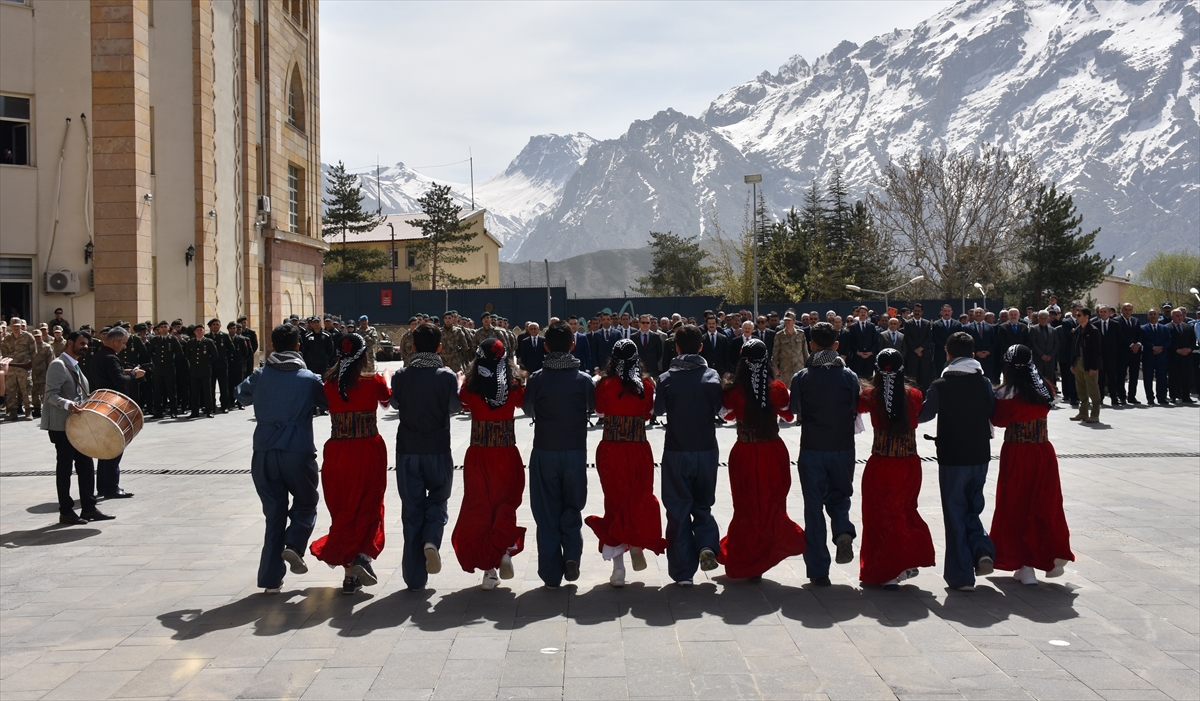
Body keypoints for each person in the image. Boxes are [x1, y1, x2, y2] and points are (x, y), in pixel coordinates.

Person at [236, 324, 327, 593]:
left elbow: (240, 395)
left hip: (264, 451)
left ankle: (269, 579)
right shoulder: (308, 378)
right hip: (297, 449)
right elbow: (331, 403)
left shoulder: (261, 375)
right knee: (307, 502)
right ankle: (294, 544)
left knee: (273, 515)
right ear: (299, 346)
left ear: (273, 346)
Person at [309, 332, 391, 595]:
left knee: (343, 509)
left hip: (337, 452)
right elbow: (387, 400)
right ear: (364, 354)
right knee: (369, 504)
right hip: (367, 449)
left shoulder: (329, 382)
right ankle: (362, 557)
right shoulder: (372, 380)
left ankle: (349, 574)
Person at [717, 338, 805, 580]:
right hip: (772, 452)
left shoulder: (733, 390)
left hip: (744, 452)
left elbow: (726, 417)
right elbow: (788, 417)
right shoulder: (776, 388)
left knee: (745, 507)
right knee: (772, 506)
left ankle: (747, 556)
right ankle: (770, 550)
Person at [585, 339, 668, 587]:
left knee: (615, 503)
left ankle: (618, 568)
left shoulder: (604, 385)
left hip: (611, 449)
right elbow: (648, 414)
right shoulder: (645, 385)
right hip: (638, 448)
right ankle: (637, 543)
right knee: (639, 498)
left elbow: (600, 413)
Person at [989, 345, 1074, 586]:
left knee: (1016, 505)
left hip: (1017, 452)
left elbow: (999, 420)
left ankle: (1023, 563)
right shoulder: (1044, 387)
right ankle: (1051, 555)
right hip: (1043, 450)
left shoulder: (1006, 392)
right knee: (1047, 503)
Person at [918, 331, 996, 592]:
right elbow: (991, 410)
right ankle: (982, 547)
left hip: (952, 456)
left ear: (947, 353)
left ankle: (961, 575)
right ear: (973, 355)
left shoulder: (941, 384)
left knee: (954, 512)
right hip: (980, 453)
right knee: (973, 507)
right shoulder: (983, 381)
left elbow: (924, 415)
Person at [522, 321, 595, 588]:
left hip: (544, 451)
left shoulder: (538, 378)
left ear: (545, 346)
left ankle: (551, 573)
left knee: (546, 512)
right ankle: (572, 555)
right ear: (573, 346)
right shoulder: (584, 380)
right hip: (575, 452)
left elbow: (528, 410)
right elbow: (594, 408)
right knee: (572, 506)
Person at [855, 349, 935, 589]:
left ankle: (888, 567)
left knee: (880, 516)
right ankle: (903, 560)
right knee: (905, 511)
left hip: (882, 462)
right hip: (909, 462)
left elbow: (857, 407)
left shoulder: (870, 395)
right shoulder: (915, 395)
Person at [452, 338, 528, 590]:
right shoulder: (514, 387)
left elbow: (462, 401)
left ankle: (489, 569)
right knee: (506, 505)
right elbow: (521, 403)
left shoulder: (471, 388)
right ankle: (504, 551)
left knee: (480, 509)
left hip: (479, 455)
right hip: (506, 453)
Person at [790, 322, 861, 586]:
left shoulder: (803, 377)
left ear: (811, 344)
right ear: (836, 345)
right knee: (840, 496)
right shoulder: (849, 376)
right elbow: (856, 405)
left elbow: (795, 407)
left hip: (812, 448)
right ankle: (842, 529)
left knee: (813, 508)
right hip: (842, 447)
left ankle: (819, 570)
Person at [390, 324, 461, 591]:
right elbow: (455, 406)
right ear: (440, 347)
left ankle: (415, 578)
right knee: (439, 499)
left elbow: (395, 403)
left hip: (408, 449)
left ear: (414, 347)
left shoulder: (401, 375)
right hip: (438, 448)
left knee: (412, 510)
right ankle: (432, 539)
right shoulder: (446, 376)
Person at [655, 324, 724, 586]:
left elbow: (657, 410)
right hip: (706, 448)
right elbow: (721, 410)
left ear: (676, 347)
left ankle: (683, 571)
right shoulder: (712, 377)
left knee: (677, 509)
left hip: (676, 450)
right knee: (703, 504)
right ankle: (707, 544)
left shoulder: (667, 378)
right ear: (702, 347)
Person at [41, 331, 113, 525]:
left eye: (87, 344)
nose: (85, 347)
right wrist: (67, 404)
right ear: (70, 343)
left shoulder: (75, 365)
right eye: (81, 343)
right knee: (64, 469)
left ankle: (89, 508)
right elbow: (50, 394)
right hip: (62, 426)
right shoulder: (58, 365)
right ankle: (66, 511)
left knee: (86, 466)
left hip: (78, 426)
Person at [91, 326, 145, 499]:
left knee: (104, 449)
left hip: (101, 405)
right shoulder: (111, 358)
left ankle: (102, 486)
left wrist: (125, 371)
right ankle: (112, 487)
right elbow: (119, 382)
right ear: (115, 341)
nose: (124, 347)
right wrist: (133, 375)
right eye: (123, 343)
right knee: (115, 447)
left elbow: (110, 376)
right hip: (114, 407)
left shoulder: (99, 356)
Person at [1070, 307, 1103, 423]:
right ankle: (1083, 412)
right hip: (1078, 362)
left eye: (1079, 315)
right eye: (1076, 315)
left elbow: (1097, 351)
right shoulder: (1078, 330)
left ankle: (1095, 414)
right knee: (1081, 389)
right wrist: (1073, 363)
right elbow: (1074, 348)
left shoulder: (1093, 331)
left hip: (1088, 364)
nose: (1076, 317)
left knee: (1093, 389)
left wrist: (1094, 367)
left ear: (1086, 317)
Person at [2, 317, 36, 421]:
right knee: (11, 390)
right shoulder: (7, 338)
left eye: (18, 326)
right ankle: (12, 412)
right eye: (14, 326)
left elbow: (33, 353)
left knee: (26, 389)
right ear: (10, 327)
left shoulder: (28, 337)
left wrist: (30, 365)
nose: (16, 328)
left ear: (21, 326)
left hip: (23, 367)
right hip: (11, 368)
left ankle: (28, 411)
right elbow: (4, 353)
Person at [149, 321, 183, 418]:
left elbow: (179, 353)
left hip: (169, 368)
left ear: (169, 328)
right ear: (159, 329)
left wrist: (172, 362)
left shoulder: (173, 339)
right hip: (158, 369)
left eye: (165, 327)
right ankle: (158, 411)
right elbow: (149, 352)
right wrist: (155, 359)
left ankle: (173, 410)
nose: (163, 328)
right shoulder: (155, 340)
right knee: (158, 390)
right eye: (162, 327)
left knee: (171, 390)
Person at [184, 324, 217, 418]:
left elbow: (215, 355)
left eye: (201, 330)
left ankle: (209, 410)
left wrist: (207, 363)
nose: (199, 331)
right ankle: (195, 412)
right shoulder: (191, 342)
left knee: (207, 391)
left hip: (205, 370)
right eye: (197, 330)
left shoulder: (209, 342)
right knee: (194, 392)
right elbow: (187, 355)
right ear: (194, 332)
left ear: (203, 331)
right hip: (194, 370)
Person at [1140, 309, 1170, 404]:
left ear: (1158, 316)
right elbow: (1143, 341)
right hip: (1148, 356)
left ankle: (1161, 397)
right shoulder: (1143, 328)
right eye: (1151, 314)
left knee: (1161, 377)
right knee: (1148, 378)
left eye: (1154, 314)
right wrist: (1153, 347)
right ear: (1148, 316)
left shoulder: (1164, 328)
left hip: (1161, 356)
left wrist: (1160, 348)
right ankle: (1150, 397)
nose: (1153, 316)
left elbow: (1168, 340)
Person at [772, 311, 809, 385]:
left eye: (789, 320)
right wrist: (775, 368)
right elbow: (775, 352)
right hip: (785, 369)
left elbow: (805, 351)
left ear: (794, 321)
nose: (787, 322)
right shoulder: (779, 335)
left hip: (799, 367)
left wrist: (808, 366)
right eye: (785, 320)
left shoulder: (800, 333)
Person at [206, 319, 235, 413]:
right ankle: (211, 406)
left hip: (222, 365)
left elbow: (232, 349)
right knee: (211, 387)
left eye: (217, 324)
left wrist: (225, 356)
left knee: (223, 386)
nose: (215, 326)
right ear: (210, 326)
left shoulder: (225, 336)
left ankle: (225, 406)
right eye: (213, 324)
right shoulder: (207, 337)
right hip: (211, 366)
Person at [1115, 303, 1142, 404]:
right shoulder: (1117, 321)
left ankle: (1132, 396)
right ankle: (1122, 396)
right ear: (1122, 310)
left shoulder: (1136, 320)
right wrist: (1131, 345)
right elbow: (1120, 336)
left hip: (1135, 353)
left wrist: (1138, 344)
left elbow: (1140, 334)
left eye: (1129, 309)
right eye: (1125, 309)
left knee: (1134, 375)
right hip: (1123, 352)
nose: (1127, 311)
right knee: (1121, 375)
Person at [903, 303, 934, 390]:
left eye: (918, 311)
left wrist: (921, 348)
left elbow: (929, 337)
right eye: (915, 311)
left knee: (924, 377)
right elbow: (907, 337)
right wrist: (915, 350)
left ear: (922, 312)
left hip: (924, 355)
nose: (917, 312)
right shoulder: (908, 323)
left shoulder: (927, 323)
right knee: (912, 377)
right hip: (913, 355)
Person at [1028, 311, 1060, 389]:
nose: (1043, 320)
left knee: (1049, 380)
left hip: (1050, 359)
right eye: (1041, 318)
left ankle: (1050, 395)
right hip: (1038, 359)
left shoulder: (1053, 330)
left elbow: (1056, 344)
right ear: (1038, 319)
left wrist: (1050, 355)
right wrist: (1041, 355)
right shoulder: (1033, 329)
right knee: (1038, 379)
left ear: (1048, 318)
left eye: (1045, 318)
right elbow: (1033, 343)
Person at [930, 304, 963, 379]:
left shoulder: (957, 324)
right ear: (941, 312)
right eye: (945, 311)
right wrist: (945, 347)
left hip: (954, 353)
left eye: (948, 311)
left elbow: (959, 337)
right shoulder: (936, 324)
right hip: (940, 353)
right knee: (940, 373)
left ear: (952, 312)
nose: (946, 313)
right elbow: (934, 338)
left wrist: (951, 347)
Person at [30, 329, 54, 419]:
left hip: (43, 373)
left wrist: (50, 373)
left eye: (38, 336)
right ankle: (36, 408)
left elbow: (51, 361)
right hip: (32, 373)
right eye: (35, 337)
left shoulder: (47, 347)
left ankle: (47, 409)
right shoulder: (30, 348)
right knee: (34, 392)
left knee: (45, 392)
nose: (37, 338)